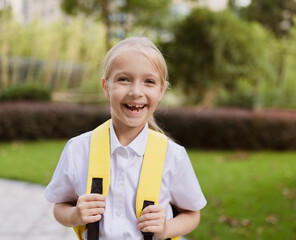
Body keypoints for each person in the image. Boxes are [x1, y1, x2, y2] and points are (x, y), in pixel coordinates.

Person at [44, 36, 207, 240]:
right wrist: (75, 214)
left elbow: (192, 214)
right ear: (106, 87)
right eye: (124, 79)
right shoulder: (78, 150)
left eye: (149, 82)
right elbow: (59, 207)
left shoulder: (173, 156)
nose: (136, 91)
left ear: (161, 90)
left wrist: (166, 228)